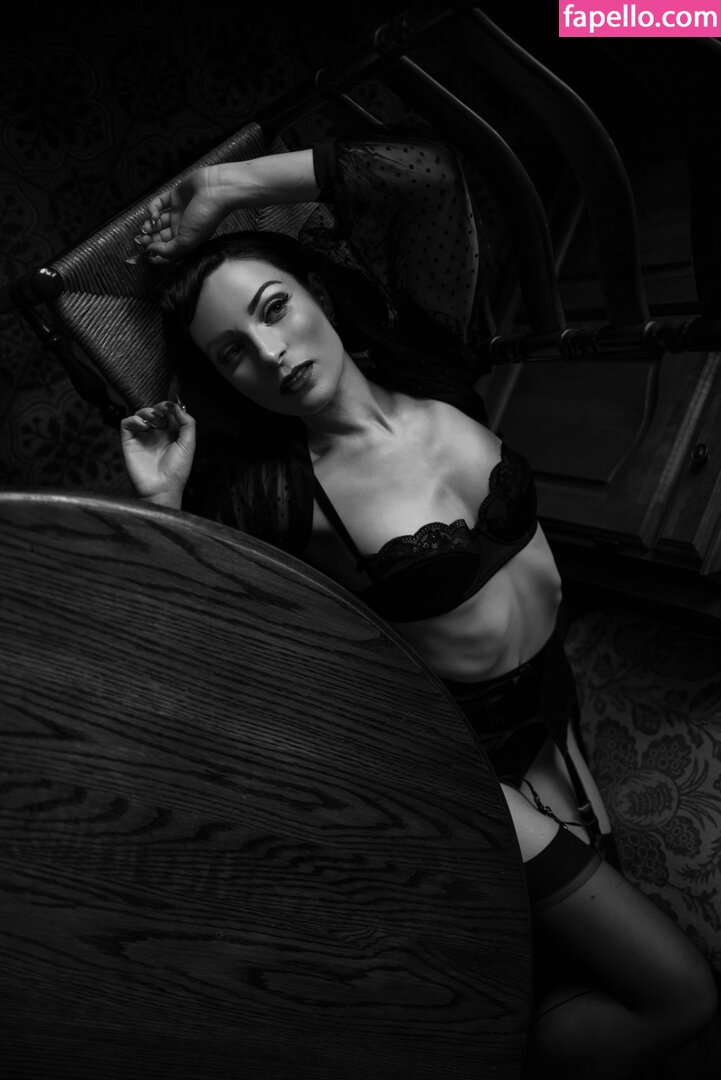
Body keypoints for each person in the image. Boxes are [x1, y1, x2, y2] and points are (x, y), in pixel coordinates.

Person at [122, 132, 717, 1077]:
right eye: (234, 353)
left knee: (568, 966)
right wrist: (163, 506)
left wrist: (226, 189)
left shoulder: (431, 361)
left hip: (555, 716)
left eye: (275, 308)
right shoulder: (279, 494)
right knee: (681, 996)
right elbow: (198, 655)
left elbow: (427, 175)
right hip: (473, 771)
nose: (271, 352)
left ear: (318, 293)